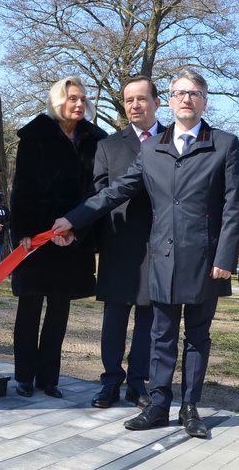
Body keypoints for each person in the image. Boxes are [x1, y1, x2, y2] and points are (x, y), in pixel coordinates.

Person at [52, 68, 239, 438]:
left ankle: (190, 408)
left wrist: (225, 257)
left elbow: (235, 205)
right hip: (163, 258)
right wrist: (73, 220)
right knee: (161, 336)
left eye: (193, 93)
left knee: (197, 338)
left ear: (204, 101)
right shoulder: (152, 148)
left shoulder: (224, 143)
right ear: (170, 101)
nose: (186, 99)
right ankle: (158, 404)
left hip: (207, 261)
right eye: (179, 93)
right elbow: (115, 191)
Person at [9, 76, 106, 399]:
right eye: (72, 99)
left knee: (59, 313)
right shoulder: (35, 135)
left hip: (73, 238)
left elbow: (97, 192)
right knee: (29, 309)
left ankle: (48, 378)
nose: (79, 104)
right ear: (58, 100)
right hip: (37, 239)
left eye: (82, 99)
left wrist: (78, 231)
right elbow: (22, 187)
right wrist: (23, 231)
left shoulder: (95, 141)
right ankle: (23, 375)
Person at [90, 76, 165, 410]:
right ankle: (110, 382)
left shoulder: (174, 140)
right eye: (128, 100)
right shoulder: (108, 146)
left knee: (149, 322)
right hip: (119, 245)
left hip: (160, 245)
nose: (135, 105)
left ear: (156, 102)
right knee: (115, 319)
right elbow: (98, 195)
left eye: (141, 99)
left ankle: (139, 384)